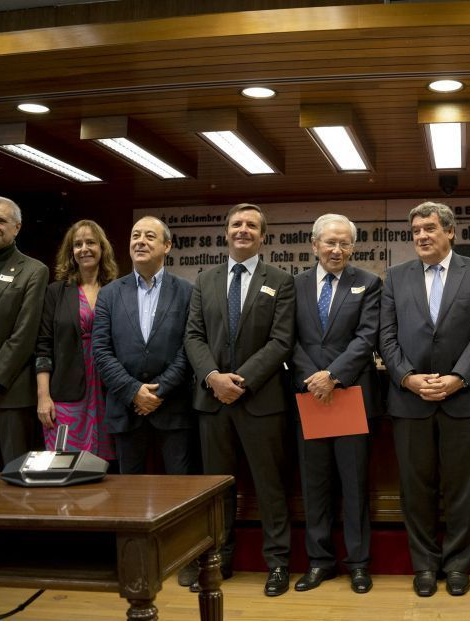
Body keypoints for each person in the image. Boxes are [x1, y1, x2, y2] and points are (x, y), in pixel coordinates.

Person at [379, 201, 470, 598]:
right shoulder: (395, 276)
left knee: (462, 488)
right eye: (415, 231)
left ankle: (459, 565)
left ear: (450, 231)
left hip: (463, 398)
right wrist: (408, 378)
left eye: (429, 228)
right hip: (409, 400)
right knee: (416, 489)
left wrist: (457, 378)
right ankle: (425, 565)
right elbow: (386, 336)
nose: (422, 236)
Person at [184, 203, 296, 597]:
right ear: (226, 231)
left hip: (261, 401)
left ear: (263, 235)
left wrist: (241, 381)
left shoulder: (281, 280)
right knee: (218, 489)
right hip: (213, 402)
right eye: (236, 224)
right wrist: (214, 378)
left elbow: (282, 341)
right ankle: (218, 559)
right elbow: (193, 336)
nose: (243, 230)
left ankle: (278, 563)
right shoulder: (205, 280)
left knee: (270, 487)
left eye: (251, 225)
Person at [290, 214, 381, 594]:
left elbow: (367, 337)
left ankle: (358, 563)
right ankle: (319, 561)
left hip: (351, 395)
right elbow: (286, 338)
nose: (337, 249)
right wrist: (315, 377)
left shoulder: (369, 283)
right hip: (309, 394)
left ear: (353, 247)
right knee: (315, 484)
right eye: (330, 242)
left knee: (354, 484)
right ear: (314, 245)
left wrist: (333, 376)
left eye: (344, 243)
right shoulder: (292, 285)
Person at [92, 216, 196, 475]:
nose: (140, 242)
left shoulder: (188, 291)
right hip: (126, 408)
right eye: (135, 236)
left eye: (150, 236)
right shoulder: (109, 294)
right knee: (129, 494)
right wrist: (134, 391)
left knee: (180, 490)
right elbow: (101, 351)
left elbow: (190, 347)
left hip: (173, 408)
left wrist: (158, 392)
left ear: (167, 246)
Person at [0, 196, 49, 471]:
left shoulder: (34, 271)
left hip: (11, 396)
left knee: (15, 482)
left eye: (0, 220)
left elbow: (25, 334)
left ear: (17, 227)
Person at [36, 219, 118, 459]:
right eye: (77, 244)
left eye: (91, 242)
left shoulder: (116, 289)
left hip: (108, 392)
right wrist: (43, 397)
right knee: (64, 462)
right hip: (65, 394)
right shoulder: (56, 292)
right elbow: (43, 347)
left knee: (107, 467)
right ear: (71, 252)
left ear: (102, 248)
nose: (84, 249)